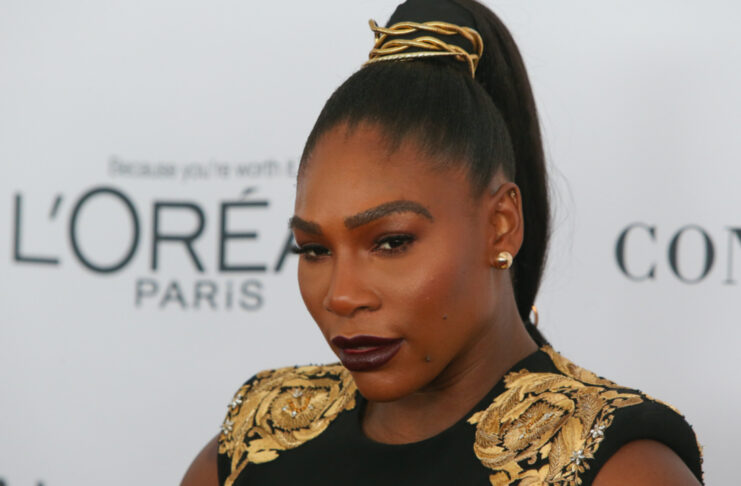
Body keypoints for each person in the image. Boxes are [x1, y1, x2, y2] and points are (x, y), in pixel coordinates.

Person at [182, 0, 703, 484]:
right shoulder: (256, 437)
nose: (341, 296)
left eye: (391, 242)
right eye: (314, 249)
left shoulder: (616, 465)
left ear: (501, 225)